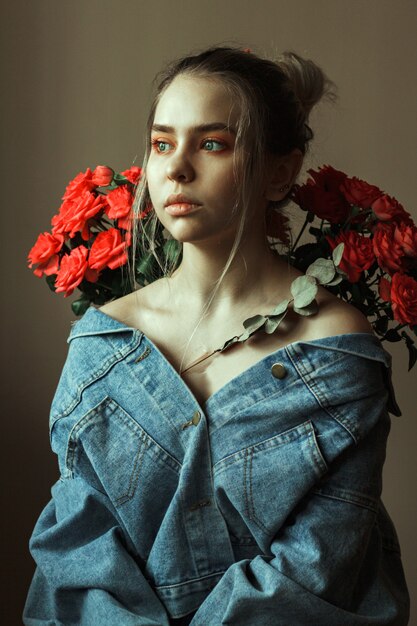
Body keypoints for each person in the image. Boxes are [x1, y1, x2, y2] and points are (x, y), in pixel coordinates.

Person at [24, 46, 410, 625]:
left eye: (211, 144)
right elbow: (79, 549)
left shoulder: (335, 350)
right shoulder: (104, 342)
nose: (176, 168)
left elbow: (317, 566)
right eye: (161, 144)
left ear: (280, 171)